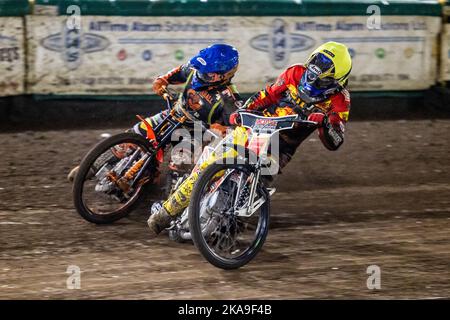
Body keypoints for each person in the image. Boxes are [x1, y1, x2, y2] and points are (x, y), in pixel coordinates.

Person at [145, 44, 242, 237]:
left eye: (209, 75)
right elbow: (178, 72)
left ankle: (174, 208)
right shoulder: (196, 68)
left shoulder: (228, 99)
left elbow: (234, 128)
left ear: (225, 75)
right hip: (174, 114)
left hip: (196, 131)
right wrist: (162, 80)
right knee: (140, 129)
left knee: (179, 165)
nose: (201, 76)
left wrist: (219, 128)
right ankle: (98, 164)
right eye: (201, 71)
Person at [231, 41, 352, 170]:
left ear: (338, 80)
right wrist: (243, 110)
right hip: (261, 124)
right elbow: (269, 94)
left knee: (264, 174)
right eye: (310, 74)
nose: (311, 81)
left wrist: (325, 123)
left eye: (321, 80)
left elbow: (336, 141)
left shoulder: (340, 100)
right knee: (224, 155)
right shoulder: (295, 72)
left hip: (284, 144)